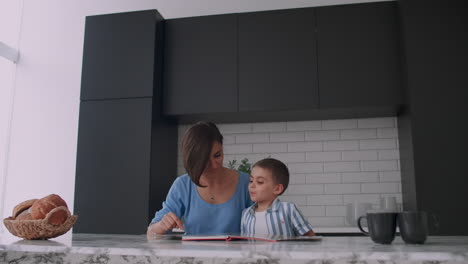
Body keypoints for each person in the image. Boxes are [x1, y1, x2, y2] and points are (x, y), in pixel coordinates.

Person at [147, 121, 253, 237]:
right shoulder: (183, 185)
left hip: (237, 254)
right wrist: (162, 225)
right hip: (194, 254)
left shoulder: (245, 183)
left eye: (217, 155)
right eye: (205, 160)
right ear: (194, 159)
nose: (214, 165)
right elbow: (151, 232)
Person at [241, 158, 315, 237]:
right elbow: (245, 242)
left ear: (277, 189)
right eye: (251, 180)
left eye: (260, 182)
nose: (251, 185)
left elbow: (310, 237)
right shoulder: (246, 214)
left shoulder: (288, 209)